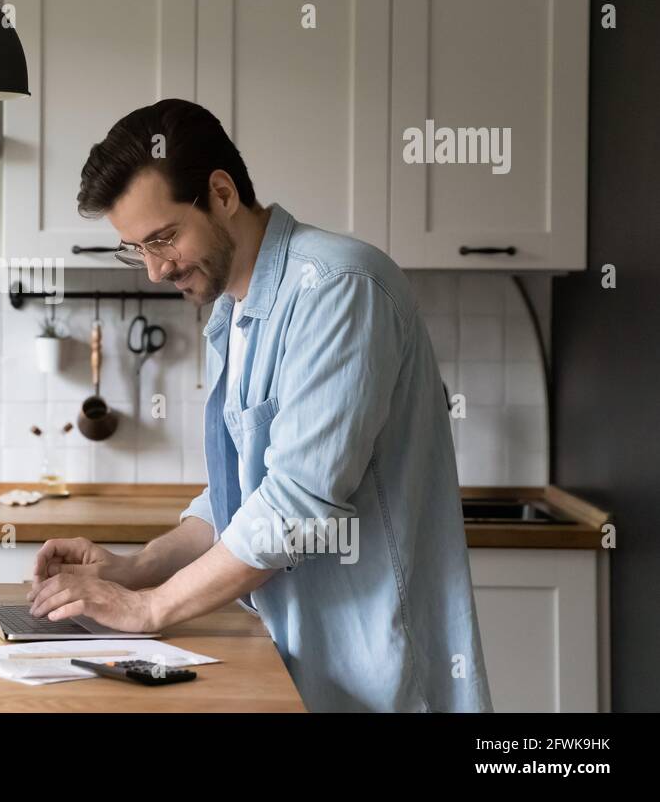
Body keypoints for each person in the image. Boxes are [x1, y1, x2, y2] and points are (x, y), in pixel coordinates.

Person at [27, 98, 492, 712]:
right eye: (135, 249)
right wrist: (133, 568)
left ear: (221, 194)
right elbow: (240, 499)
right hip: (292, 660)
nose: (155, 271)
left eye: (163, 238)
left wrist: (150, 607)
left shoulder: (337, 287)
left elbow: (294, 504)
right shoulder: (233, 315)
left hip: (375, 673)